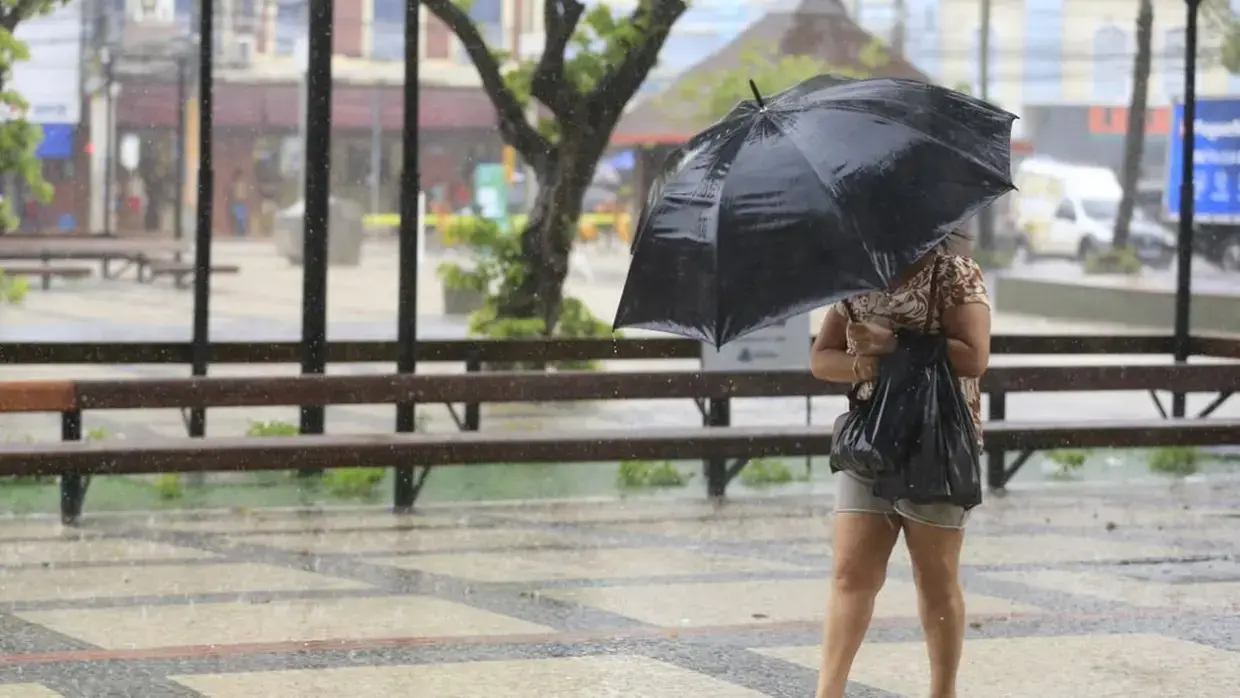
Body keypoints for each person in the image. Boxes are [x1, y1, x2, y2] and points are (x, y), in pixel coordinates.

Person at [808, 230, 991, 698]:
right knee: (851, 572)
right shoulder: (854, 277)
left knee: (934, 576)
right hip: (870, 438)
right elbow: (820, 358)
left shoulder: (952, 273)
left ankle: (942, 692)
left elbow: (974, 357)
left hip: (939, 439)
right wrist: (862, 364)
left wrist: (891, 345)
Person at [227, 169, 250, 238]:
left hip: (241, 203)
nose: (241, 177)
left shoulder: (243, 184)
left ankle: (241, 234)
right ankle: (238, 234)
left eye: (242, 176)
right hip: (236, 203)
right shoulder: (232, 184)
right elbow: (230, 195)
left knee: (241, 219)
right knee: (237, 219)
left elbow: (245, 195)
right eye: (240, 176)